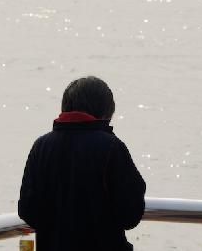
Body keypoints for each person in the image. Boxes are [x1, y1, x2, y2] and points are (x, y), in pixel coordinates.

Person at [18, 75, 146, 251]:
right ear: (106, 112)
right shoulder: (111, 148)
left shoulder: (41, 147)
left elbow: (28, 211)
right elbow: (131, 215)